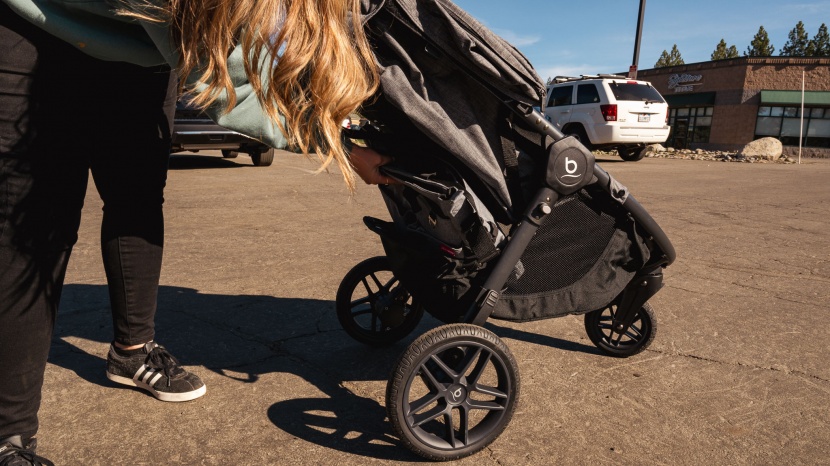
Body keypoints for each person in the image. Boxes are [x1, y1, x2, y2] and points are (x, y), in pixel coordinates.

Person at [0, 0, 391, 463]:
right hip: (40, 28)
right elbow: (229, 82)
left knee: (137, 203)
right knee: (34, 222)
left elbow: (244, 53)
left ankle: (131, 353)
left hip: (143, 47)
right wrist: (332, 141)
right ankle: (11, 431)